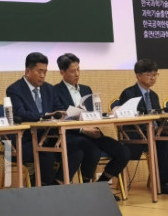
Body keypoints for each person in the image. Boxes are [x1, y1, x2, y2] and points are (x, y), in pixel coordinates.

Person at [119, 58, 168, 195]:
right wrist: (155, 130)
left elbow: (158, 116)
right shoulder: (129, 93)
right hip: (137, 134)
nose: (153, 78)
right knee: (162, 140)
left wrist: (167, 128)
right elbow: (129, 119)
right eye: (149, 75)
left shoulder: (153, 95)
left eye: (155, 74)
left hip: (156, 132)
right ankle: (163, 182)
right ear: (138, 76)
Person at [55, 53, 130, 198]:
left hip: (93, 132)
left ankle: (99, 187)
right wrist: (82, 129)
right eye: (72, 71)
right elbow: (60, 118)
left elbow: (93, 113)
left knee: (123, 152)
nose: (77, 74)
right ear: (62, 72)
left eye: (78, 69)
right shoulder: (55, 91)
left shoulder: (86, 89)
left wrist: (107, 115)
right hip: (71, 135)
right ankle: (87, 189)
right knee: (91, 149)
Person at [6, 52, 83, 185]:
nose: (42, 75)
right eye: (39, 71)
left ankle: (57, 184)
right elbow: (20, 114)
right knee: (47, 155)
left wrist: (63, 114)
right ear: (28, 71)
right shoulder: (14, 90)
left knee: (77, 149)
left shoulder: (49, 89)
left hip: (49, 137)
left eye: (45, 72)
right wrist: (45, 116)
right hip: (25, 140)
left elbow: (58, 110)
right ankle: (42, 188)